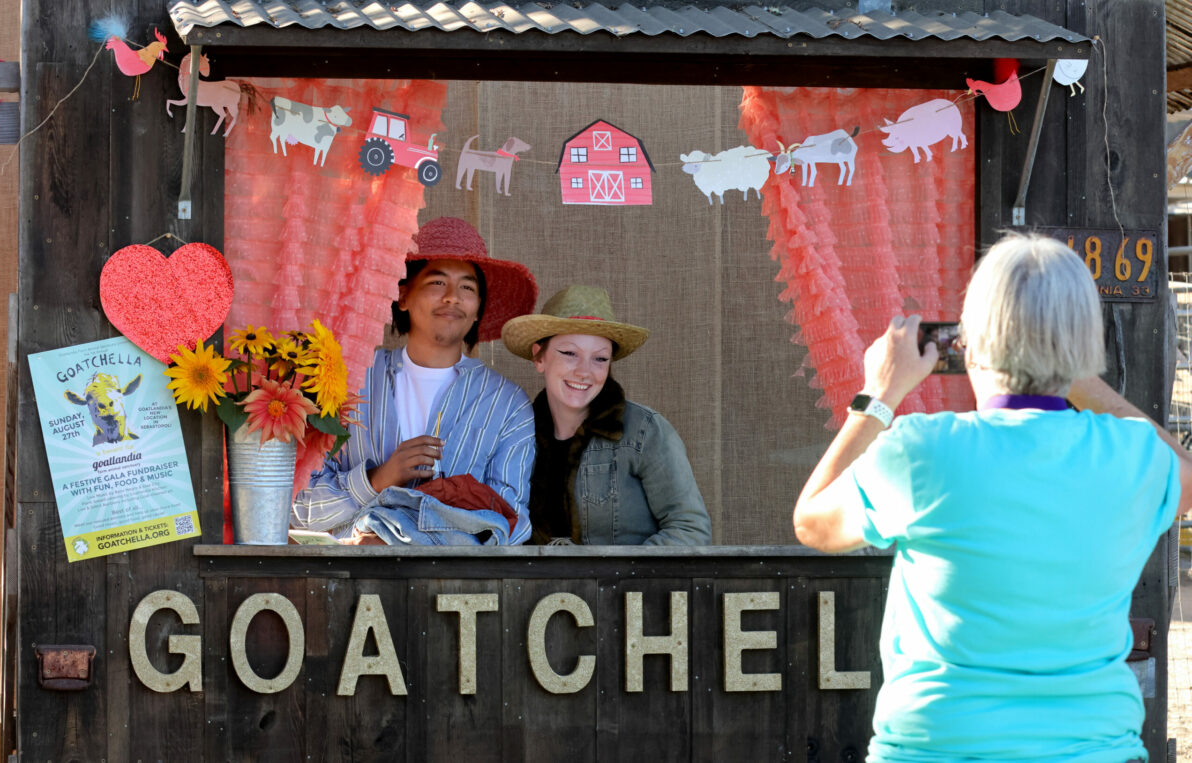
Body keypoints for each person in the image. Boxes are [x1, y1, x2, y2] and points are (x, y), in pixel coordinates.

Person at [793, 233, 1192, 761]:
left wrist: (882, 394)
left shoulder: (924, 450)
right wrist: (1083, 382)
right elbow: (1187, 474)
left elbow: (812, 520)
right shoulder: (1132, 457)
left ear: (971, 340)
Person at [292, 217, 539, 545]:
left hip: (455, 590)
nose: (452, 297)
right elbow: (299, 507)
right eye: (437, 283)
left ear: (479, 308)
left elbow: (511, 523)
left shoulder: (507, 404)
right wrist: (378, 479)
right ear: (404, 297)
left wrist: (394, 531)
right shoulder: (346, 379)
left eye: (467, 287)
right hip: (347, 585)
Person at [501, 285, 712, 545]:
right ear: (539, 357)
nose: (584, 371)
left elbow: (690, 530)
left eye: (599, 359)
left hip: (626, 586)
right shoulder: (513, 434)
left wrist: (620, 576)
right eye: (569, 353)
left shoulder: (645, 431)